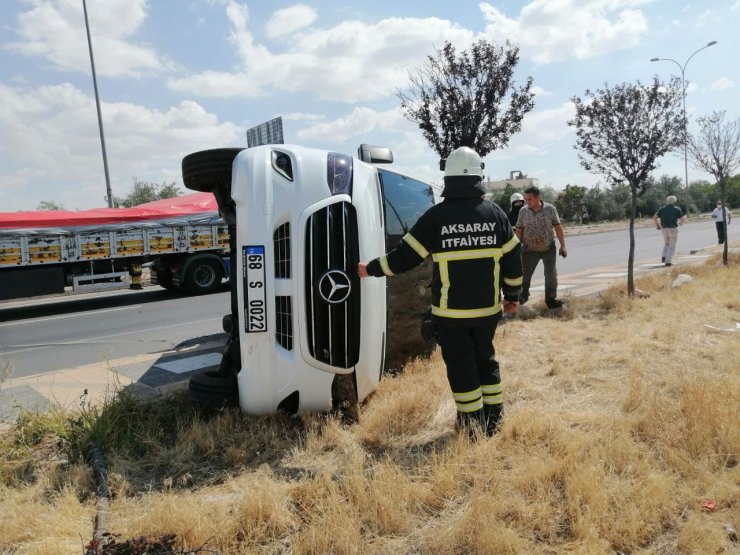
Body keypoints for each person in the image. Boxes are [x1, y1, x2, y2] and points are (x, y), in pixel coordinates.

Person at [357, 146, 523, 437]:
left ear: (448, 179)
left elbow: (404, 258)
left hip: (451, 314)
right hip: (487, 311)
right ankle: (494, 421)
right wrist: (512, 296)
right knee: (486, 360)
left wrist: (369, 269)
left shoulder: (437, 217)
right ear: (478, 177)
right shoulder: (495, 214)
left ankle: (472, 427)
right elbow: (513, 258)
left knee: (462, 367)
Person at [514, 186, 567, 308]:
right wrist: (515, 247)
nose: (527, 202)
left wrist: (563, 246)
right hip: (528, 249)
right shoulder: (523, 211)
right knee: (524, 275)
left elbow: (558, 228)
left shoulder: (550, 209)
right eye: (526, 199)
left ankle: (551, 300)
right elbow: (519, 230)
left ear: (538, 197)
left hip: (548, 248)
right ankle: (523, 296)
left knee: (550, 275)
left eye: (530, 199)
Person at [653, 195, 686, 266]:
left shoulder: (662, 209)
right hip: (672, 229)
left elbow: (655, 217)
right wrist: (681, 223)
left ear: (667, 201)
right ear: (674, 201)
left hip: (664, 229)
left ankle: (664, 257)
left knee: (666, 244)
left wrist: (657, 225)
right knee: (672, 246)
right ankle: (668, 261)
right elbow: (682, 219)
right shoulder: (677, 209)